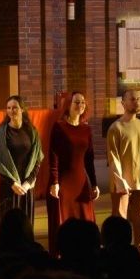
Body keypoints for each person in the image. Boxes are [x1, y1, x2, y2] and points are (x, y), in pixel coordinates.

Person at [106, 89, 140, 258]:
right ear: (123, 103)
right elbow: (113, 157)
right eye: (132, 99)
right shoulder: (116, 127)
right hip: (122, 183)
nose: (136, 102)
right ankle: (118, 256)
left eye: (138, 99)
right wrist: (120, 180)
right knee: (119, 222)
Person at [46, 91, 99, 257]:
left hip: (81, 182)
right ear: (68, 105)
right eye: (77, 102)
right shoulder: (59, 127)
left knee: (85, 220)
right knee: (64, 221)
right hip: (63, 182)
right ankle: (62, 256)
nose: (80, 105)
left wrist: (94, 184)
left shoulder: (86, 129)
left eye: (83, 102)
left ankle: (85, 255)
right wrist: (55, 182)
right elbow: (53, 155)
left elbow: (89, 159)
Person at [0, 95, 44, 231]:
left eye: (15, 107)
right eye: (8, 108)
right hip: (8, 187)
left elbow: (37, 160)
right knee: (8, 226)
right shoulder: (1, 132)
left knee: (25, 225)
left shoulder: (32, 131)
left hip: (26, 187)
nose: (11, 111)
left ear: (22, 109)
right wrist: (12, 183)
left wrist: (29, 182)